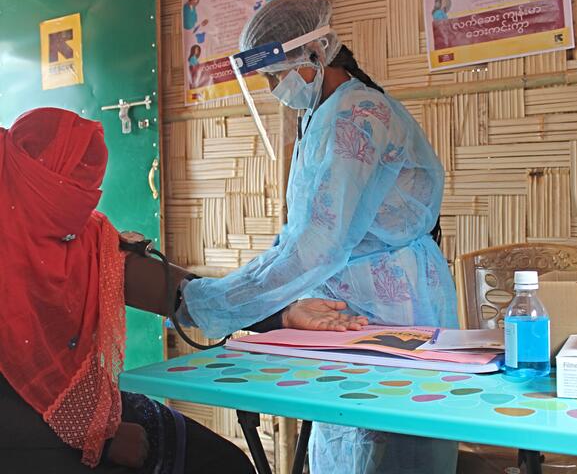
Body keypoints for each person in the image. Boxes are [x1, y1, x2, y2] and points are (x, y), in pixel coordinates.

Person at [179, 0, 459, 473]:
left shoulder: (359, 117)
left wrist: (216, 302)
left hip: (395, 306)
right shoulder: (319, 116)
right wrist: (228, 297)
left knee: (392, 446)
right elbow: (298, 235)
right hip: (342, 311)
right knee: (344, 441)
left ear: (313, 56)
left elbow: (317, 246)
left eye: (275, 75)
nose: (273, 88)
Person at [0, 108, 360, 473]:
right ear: (28, 179)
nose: (81, 203)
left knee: (226, 464)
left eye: (87, 189)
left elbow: (180, 294)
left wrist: (278, 313)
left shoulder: (83, 236)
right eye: (67, 189)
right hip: (25, 434)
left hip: (86, 410)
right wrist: (101, 440)